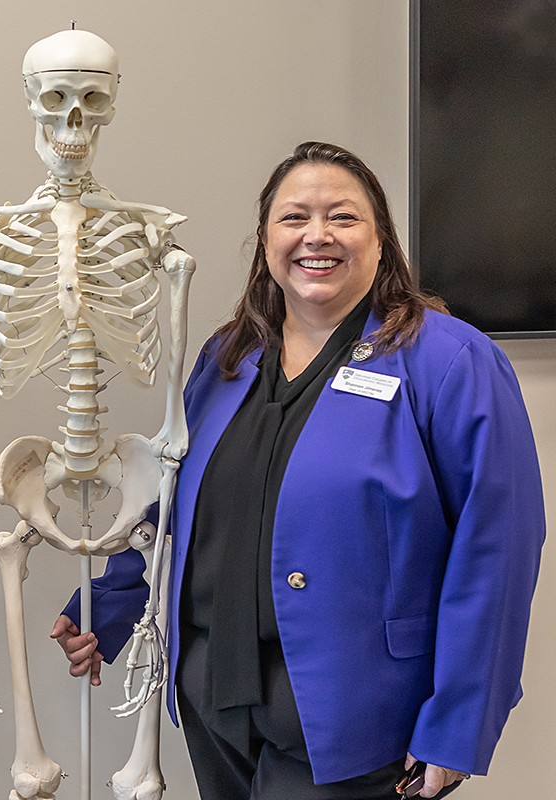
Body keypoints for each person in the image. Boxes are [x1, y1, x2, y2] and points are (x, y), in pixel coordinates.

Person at [52, 141, 545, 800]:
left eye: (342, 217)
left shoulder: (450, 363)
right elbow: (171, 497)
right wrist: (106, 604)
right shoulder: (228, 360)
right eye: (294, 218)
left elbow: (497, 550)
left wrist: (459, 724)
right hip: (216, 695)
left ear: (379, 242)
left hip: (358, 714)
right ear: (265, 242)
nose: (317, 235)